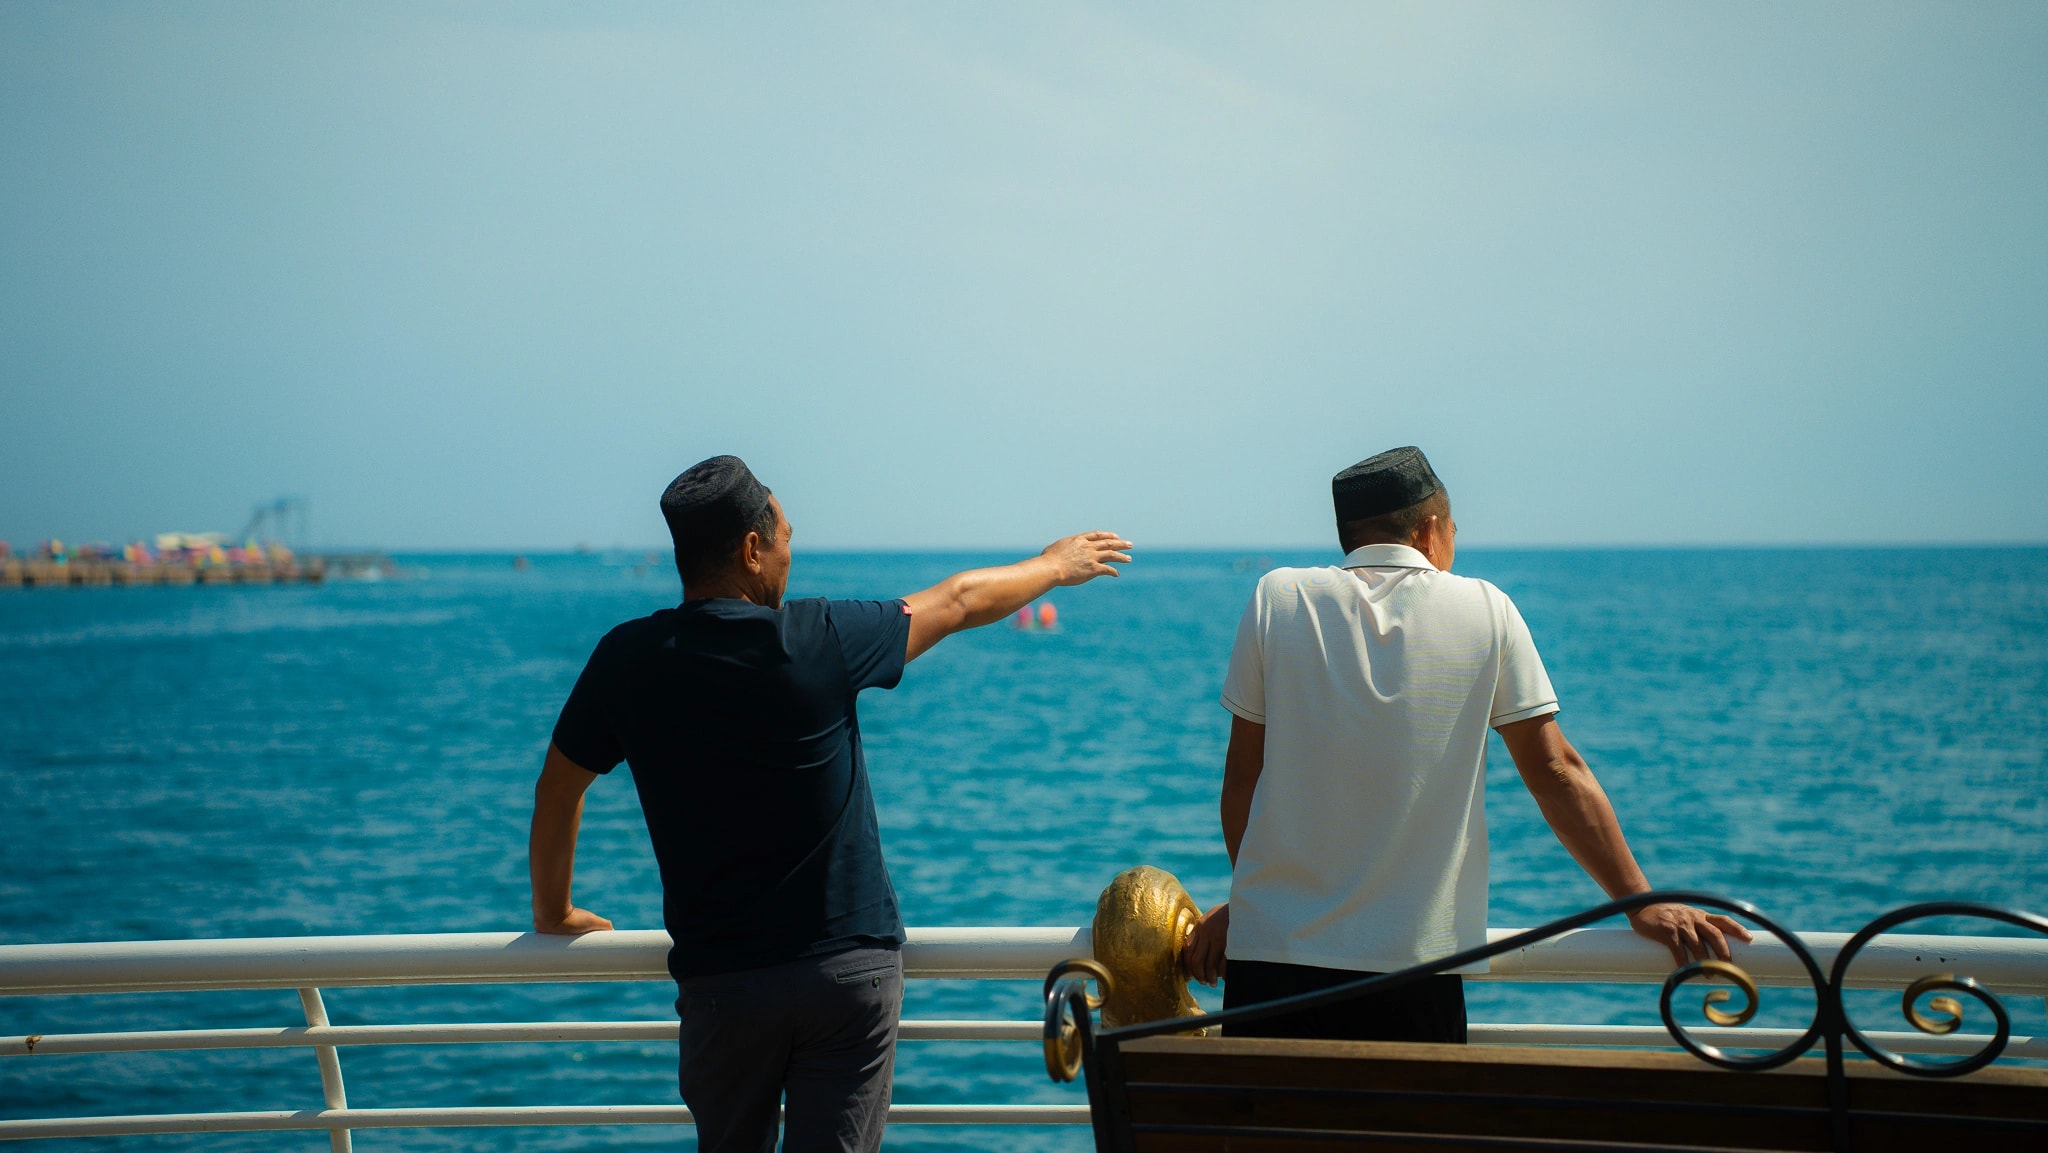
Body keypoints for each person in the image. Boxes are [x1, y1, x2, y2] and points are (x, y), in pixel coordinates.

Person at [527, 455, 1132, 1153]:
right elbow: (959, 600)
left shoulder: (626, 658)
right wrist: (1055, 564)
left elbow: (559, 785)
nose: (791, 553)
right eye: (784, 537)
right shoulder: (821, 638)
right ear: (752, 550)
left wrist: (554, 910)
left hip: (723, 986)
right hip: (847, 977)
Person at [1180, 446, 1749, 1042]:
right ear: (1431, 531)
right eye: (1453, 530)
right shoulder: (1487, 609)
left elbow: (1244, 778)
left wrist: (1259, 901)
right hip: (1414, 972)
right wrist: (1639, 902)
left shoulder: (1278, 599)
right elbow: (1556, 772)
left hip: (1271, 965)